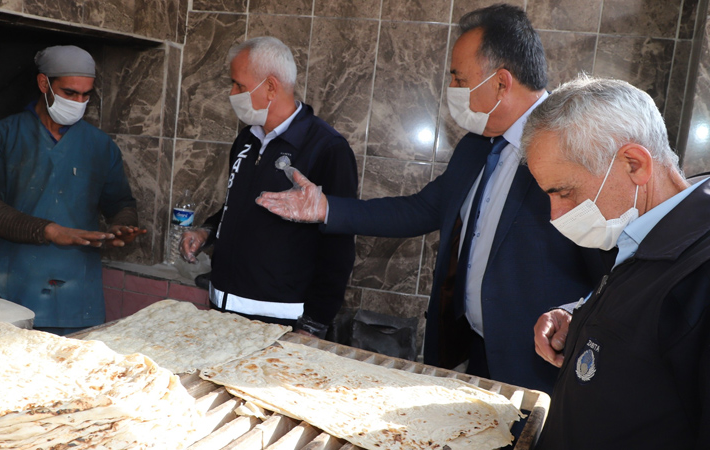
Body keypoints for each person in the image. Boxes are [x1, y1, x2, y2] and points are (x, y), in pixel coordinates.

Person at [256, 4, 605, 392]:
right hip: (474, 351)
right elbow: (423, 208)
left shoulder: (573, 145)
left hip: (538, 365)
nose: (452, 89)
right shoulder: (477, 146)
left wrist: (575, 318)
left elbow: (613, 266)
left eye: (459, 78)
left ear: (502, 83)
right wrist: (326, 208)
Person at [522, 75, 710, 449]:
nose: (555, 213)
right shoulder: (643, 235)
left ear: (634, 164)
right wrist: (582, 323)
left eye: (564, 192)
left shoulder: (701, 273)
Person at [179, 36, 357, 337]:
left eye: (239, 86)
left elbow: (339, 246)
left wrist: (313, 324)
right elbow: (239, 204)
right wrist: (207, 231)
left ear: (271, 87)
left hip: (279, 321)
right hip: (223, 309)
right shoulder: (247, 140)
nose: (232, 93)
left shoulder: (327, 148)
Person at [0, 45, 146, 336]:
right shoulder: (1, 135)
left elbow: (121, 202)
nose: (79, 101)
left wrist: (122, 225)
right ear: (43, 83)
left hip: (74, 296)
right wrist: (50, 230)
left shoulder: (100, 146)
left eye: (87, 95)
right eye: (70, 93)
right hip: (12, 288)